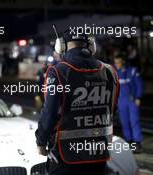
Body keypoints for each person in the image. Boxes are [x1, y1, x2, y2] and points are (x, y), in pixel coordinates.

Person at [35, 28, 120, 175]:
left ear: (60, 46)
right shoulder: (109, 71)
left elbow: (49, 113)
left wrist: (41, 141)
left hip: (66, 156)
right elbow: (112, 109)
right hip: (98, 153)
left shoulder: (58, 71)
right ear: (91, 46)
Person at [113, 54, 143, 152]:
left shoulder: (132, 71)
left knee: (134, 121)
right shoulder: (115, 73)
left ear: (123, 62)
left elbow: (139, 84)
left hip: (132, 100)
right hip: (121, 101)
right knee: (124, 121)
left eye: (118, 62)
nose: (116, 64)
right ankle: (128, 141)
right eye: (115, 62)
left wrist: (138, 97)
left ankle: (137, 142)